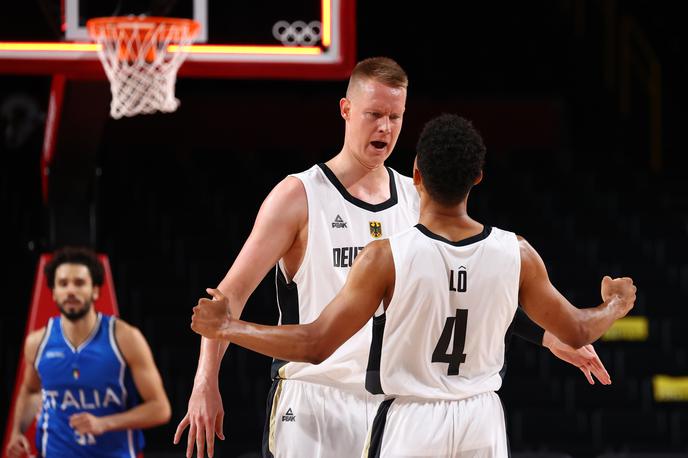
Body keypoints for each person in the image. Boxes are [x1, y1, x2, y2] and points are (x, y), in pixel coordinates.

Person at [173, 57, 609, 458]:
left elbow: (462, 289)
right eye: (373, 115)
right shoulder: (299, 196)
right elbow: (227, 298)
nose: (384, 128)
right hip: (314, 401)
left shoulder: (415, 197)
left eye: (395, 117)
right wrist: (204, 382)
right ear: (345, 110)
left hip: (390, 407)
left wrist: (551, 339)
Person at [5, 246, 171, 458]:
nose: (71, 290)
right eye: (63, 284)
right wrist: (16, 432)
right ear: (54, 293)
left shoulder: (125, 338)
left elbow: (160, 408)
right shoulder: (37, 342)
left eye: (79, 283)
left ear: (95, 290)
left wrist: (105, 423)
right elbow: (31, 391)